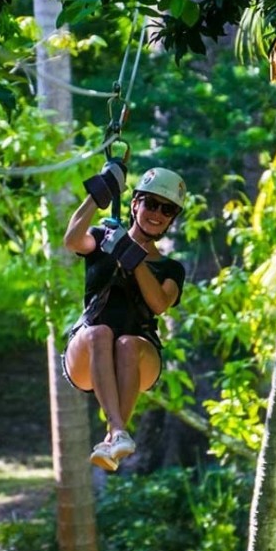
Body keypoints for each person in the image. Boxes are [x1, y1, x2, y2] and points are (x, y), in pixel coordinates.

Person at [62, 162, 187, 471]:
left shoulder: (171, 268)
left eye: (167, 209)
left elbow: (159, 303)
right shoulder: (102, 238)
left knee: (128, 343)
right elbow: (72, 240)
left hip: (139, 357)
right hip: (87, 354)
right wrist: (100, 192)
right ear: (135, 204)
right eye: (151, 204)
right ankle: (116, 432)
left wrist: (129, 253)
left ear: (172, 219)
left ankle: (115, 433)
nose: (157, 213)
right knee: (99, 333)